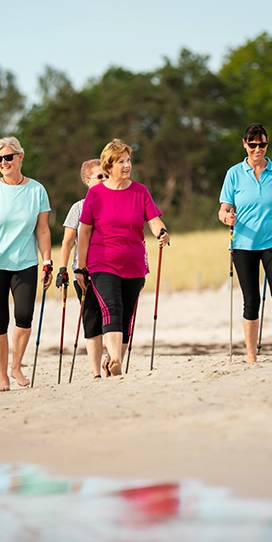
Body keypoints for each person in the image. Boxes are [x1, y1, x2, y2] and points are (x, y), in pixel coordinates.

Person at [75, 139, 170, 377]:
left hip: (134, 264)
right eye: (121, 161)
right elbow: (84, 231)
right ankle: (115, 359)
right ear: (109, 165)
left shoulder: (140, 191)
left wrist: (162, 232)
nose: (127, 165)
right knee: (112, 309)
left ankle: (113, 360)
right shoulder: (95, 194)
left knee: (126, 315)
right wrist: (81, 267)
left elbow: (153, 219)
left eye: (128, 160)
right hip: (102, 263)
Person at [0, 137, 53, 392]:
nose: (3, 162)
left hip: (25, 262)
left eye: (8, 157)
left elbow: (42, 231)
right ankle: (2, 376)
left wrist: (47, 261)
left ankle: (16, 365)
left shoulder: (37, 190)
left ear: (20, 157)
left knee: (24, 315)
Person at [218, 123, 272, 364]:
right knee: (251, 299)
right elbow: (223, 210)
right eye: (252, 144)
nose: (257, 149)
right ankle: (251, 355)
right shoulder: (234, 173)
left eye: (262, 144)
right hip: (243, 244)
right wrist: (227, 217)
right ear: (244, 144)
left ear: (267, 144)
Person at [56, 159, 109, 379]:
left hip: (109, 268)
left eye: (106, 175)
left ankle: (112, 360)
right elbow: (68, 242)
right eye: (99, 176)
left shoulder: (114, 203)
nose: (105, 179)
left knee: (113, 316)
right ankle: (96, 372)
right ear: (87, 181)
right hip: (84, 272)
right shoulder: (78, 207)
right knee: (92, 319)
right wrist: (63, 269)